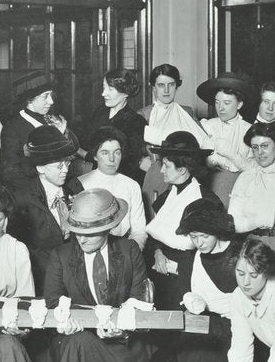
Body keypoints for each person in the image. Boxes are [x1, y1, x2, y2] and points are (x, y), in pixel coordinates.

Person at [43, 189, 151, 362]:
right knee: (78, 342)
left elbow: (139, 299)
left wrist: (121, 329)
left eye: (89, 233)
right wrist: (64, 321)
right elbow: (53, 301)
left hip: (121, 346)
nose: (81, 239)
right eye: (77, 231)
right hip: (76, 343)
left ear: (108, 228)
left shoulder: (129, 250)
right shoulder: (61, 256)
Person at [169, 199, 241, 362]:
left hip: (234, 326)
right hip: (201, 322)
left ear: (217, 230)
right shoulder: (190, 257)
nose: (199, 242)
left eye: (204, 236)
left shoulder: (238, 253)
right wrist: (189, 298)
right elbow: (183, 288)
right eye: (194, 237)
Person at [142, 131, 219, 309]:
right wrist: (158, 253)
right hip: (158, 269)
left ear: (182, 169)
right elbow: (156, 234)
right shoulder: (168, 195)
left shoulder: (206, 200)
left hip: (187, 276)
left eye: (166, 165)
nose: (161, 170)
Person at [8, 124, 84, 291]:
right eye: (59, 166)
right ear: (40, 167)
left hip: (76, 272)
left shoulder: (74, 186)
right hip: (42, 277)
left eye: (67, 163)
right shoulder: (22, 198)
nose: (65, 170)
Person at [138, 63, 205, 213]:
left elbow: (201, 142)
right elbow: (133, 148)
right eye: (161, 85)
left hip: (184, 174)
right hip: (157, 172)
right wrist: (140, 161)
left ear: (177, 86)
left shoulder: (187, 112)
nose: (166, 90)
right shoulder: (144, 115)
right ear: (153, 87)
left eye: (171, 85)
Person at [0, 70, 72, 191]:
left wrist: (61, 136)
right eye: (45, 96)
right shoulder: (12, 128)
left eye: (51, 95)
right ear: (29, 99)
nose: (51, 101)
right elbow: (9, 172)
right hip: (31, 192)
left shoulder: (54, 121)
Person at [77, 126, 147, 252]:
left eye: (117, 152)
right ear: (95, 156)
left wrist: (130, 255)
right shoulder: (80, 183)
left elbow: (139, 230)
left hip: (123, 248)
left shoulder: (131, 185)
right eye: (105, 153)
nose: (112, 159)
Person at [196, 72, 256, 206]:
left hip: (239, 192)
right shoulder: (207, 126)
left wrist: (231, 156)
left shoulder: (250, 131)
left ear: (239, 104)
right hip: (207, 189)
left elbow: (255, 170)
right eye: (217, 102)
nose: (221, 108)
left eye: (227, 103)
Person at [86, 68, 147, 185]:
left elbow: (131, 162)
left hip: (121, 181)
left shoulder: (137, 122)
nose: (103, 93)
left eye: (110, 89)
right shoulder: (99, 113)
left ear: (125, 93)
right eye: (104, 88)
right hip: (97, 177)